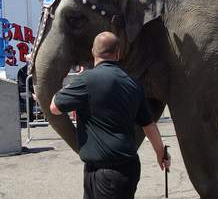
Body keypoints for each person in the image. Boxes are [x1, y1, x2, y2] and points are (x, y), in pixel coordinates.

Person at [50, 31, 170, 199]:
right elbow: (149, 126)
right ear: (118, 53)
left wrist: (72, 85)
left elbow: (54, 107)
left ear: (93, 51)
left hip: (101, 172)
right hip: (123, 168)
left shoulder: (86, 80)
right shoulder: (133, 84)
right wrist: (161, 154)